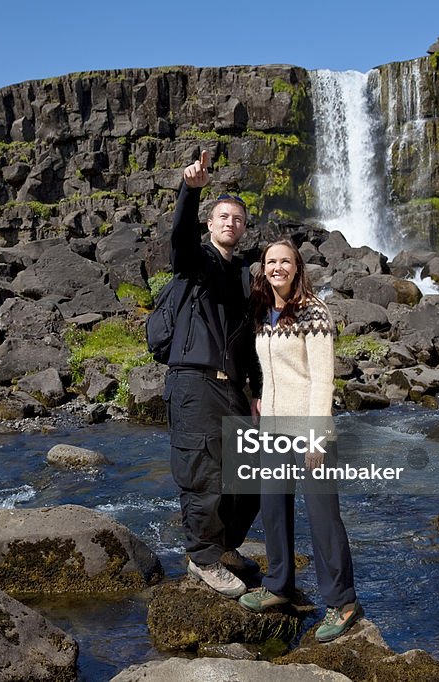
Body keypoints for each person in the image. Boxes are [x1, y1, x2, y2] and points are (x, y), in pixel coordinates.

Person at [236, 239, 363, 643]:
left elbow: (323, 379)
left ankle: (343, 602)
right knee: (273, 508)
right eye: (271, 262)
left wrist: (316, 438)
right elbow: (266, 368)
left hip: (309, 431)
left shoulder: (315, 311)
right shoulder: (262, 310)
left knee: (323, 519)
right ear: (264, 268)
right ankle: (278, 586)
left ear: (297, 267)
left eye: (285, 261)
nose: (277, 268)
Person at [164, 150, 262, 598]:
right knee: (203, 472)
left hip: (233, 387)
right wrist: (191, 189)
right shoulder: (197, 262)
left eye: (238, 218)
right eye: (223, 216)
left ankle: (225, 546)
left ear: (244, 228)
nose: (230, 223)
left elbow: (253, 339)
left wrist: (257, 390)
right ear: (210, 223)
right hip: (193, 381)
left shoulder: (245, 273)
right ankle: (201, 557)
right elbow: (180, 238)